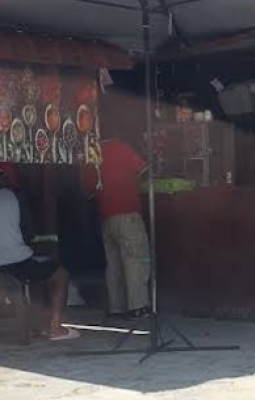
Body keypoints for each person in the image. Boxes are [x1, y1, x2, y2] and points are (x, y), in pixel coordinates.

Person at [0, 166, 79, 340]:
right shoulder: (15, 197)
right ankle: (55, 327)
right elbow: (29, 233)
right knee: (60, 275)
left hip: (8, 265)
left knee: (35, 272)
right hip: (17, 262)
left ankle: (35, 326)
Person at [82, 138, 150, 318]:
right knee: (134, 260)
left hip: (106, 217)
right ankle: (137, 307)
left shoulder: (92, 153)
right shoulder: (121, 147)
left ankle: (116, 307)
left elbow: (89, 191)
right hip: (127, 214)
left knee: (113, 265)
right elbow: (143, 171)